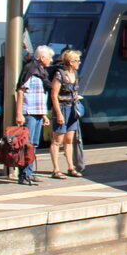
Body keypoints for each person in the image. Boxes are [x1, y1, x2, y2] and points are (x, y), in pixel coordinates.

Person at [14, 45, 54, 185]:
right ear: (42, 58)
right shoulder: (30, 70)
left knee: (34, 143)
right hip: (29, 112)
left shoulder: (41, 72)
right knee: (27, 144)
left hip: (37, 112)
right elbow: (20, 91)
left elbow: (40, 96)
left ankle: (29, 172)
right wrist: (19, 113)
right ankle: (23, 174)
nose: (51, 60)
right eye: (50, 57)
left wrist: (44, 115)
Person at [50, 49, 84, 179]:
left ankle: (71, 167)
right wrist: (58, 114)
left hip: (72, 109)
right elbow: (54, 95)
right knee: (58, 140)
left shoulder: (74, 73)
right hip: (63, 108)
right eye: (77, 61)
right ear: (71, 62)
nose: (79, 63)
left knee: (69, 140)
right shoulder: (59, 75)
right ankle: (56, 169)